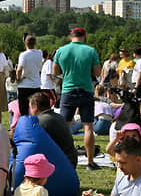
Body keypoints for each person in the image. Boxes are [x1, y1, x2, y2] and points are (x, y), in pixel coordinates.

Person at [53, 28, 101, 170]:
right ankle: (90, 162)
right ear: (84, 36)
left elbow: (55, 71)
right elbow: (98, 73)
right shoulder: (91, 51)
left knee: (64, 128)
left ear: (71, 36)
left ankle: (62, 159)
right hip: (86, 90)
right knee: (88, 127)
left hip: (68, 91)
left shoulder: (61, 50)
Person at [28, 92, 77, 167]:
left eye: (30, 107)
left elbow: (32, 147)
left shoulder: (40, 121)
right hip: (71, 161)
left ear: (35, 107)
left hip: (59, 165)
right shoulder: (59, 117)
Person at [16, 34, 43, 117]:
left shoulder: (24, 55)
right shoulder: (39, 53)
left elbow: (19, 69)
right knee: (36, 109)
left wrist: (18, 78)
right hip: (36, 84)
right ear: (35, 43)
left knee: (23, 110)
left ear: (25, 43)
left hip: (25, 84)